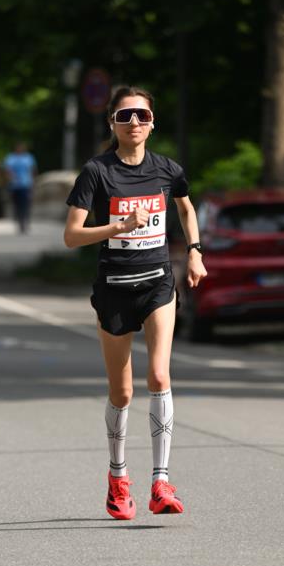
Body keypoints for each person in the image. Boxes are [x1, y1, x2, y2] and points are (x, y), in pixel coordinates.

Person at [64, 85, 207, 520]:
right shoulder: (96, 172)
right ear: (112, 123)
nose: (134, 124)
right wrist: (118, 226)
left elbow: (185, 207)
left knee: (160, 374)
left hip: (158, 284)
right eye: (125, 117)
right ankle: (117, 476)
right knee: (121, 390)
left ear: (152, 122)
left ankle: (161, 482)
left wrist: (196, 250)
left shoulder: (166, 170)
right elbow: (71, 236)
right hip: (113, 288)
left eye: (142, 116)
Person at [3, 143, 37, 233]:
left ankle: (25, 221)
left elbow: (32, 170)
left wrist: (33, 182)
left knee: (26, 204)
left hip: (26, 184)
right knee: (17, 205)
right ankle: (20, 222)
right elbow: (7, 170)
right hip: (15, 185)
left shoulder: (28, 158)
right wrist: (10, 178)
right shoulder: (11, 158)